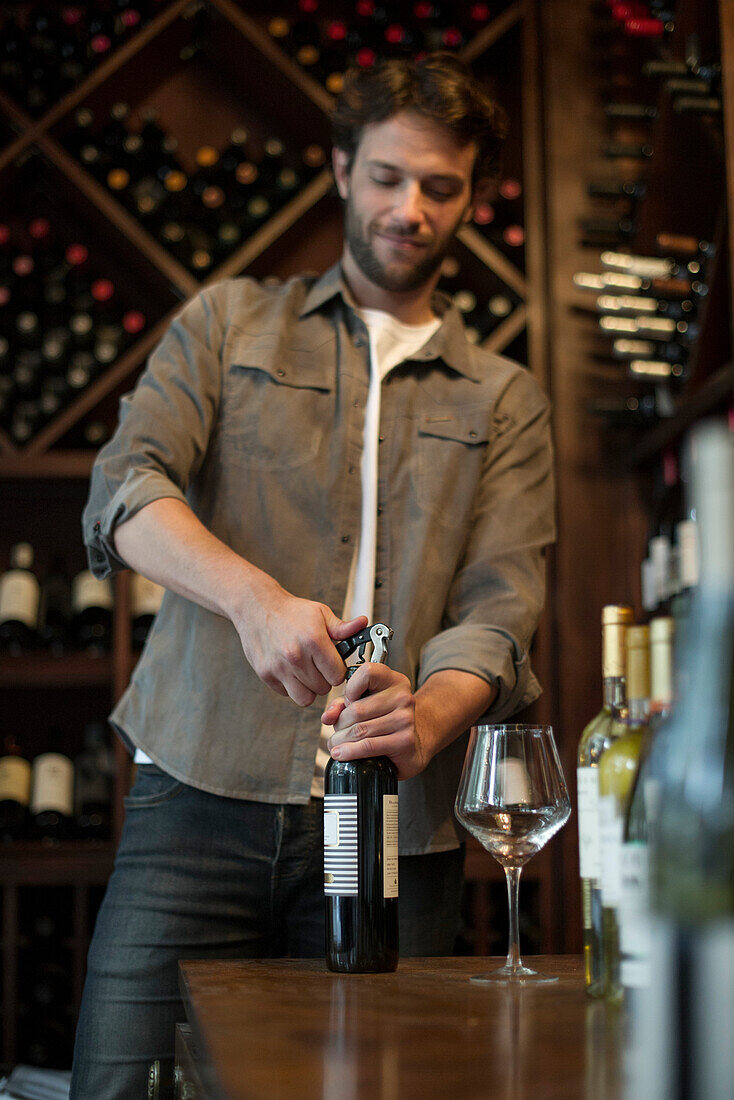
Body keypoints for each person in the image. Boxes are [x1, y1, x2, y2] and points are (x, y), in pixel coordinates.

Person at [71, 52, 555, 1099]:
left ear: (473, 198)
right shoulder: (226, 322)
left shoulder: (505, 397)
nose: (408, 207)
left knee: (378, 1086)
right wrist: (251, 598)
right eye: (386, 175)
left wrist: (427, 717)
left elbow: (500, 603)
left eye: (439, 186)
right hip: (197, 793)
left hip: (396, 818)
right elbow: (123, 486)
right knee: (118, 1084)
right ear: (340, 170)